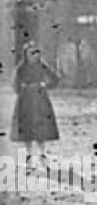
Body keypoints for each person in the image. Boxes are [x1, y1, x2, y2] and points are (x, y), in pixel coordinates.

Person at [12, 42, 60, 170]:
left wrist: (45, 86)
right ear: (26, 54)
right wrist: (23, 90)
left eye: (36, 53)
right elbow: (15, 85)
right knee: (27, 130)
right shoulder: (21, 68)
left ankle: (42, 156)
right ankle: (28, 158)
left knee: (41, 130)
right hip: (26, 101)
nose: (34, 56)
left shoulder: (42, 66)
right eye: (31, 53)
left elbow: (55, 79)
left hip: (40, 100)